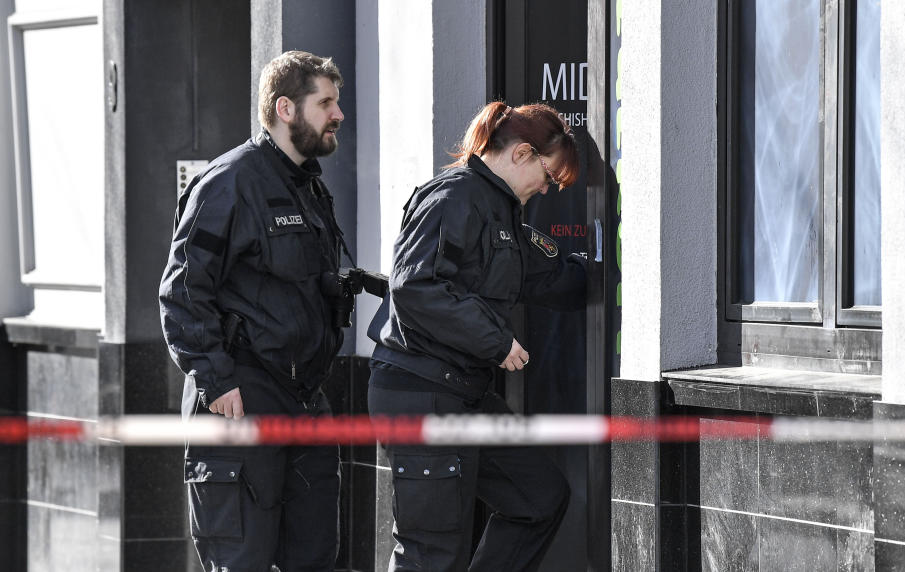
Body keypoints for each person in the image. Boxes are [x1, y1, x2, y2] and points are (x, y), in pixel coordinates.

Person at [367, 101, 586, 571]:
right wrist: (497, 341)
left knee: (539, 498)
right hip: (421, 392)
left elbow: (544, 276)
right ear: (523, 153)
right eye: (548, 176)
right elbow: (415, 287)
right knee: (431, 553)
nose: (547, 189)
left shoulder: (499, 209)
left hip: (461, 392)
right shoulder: (454, 197)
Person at [159, 51, 349, 572]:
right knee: (240, 561)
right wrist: (216, 381)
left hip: (303, 401)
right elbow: (181, 291)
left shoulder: (307, 185)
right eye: (326, 103)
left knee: (313, 558)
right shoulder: (230, 183)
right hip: (240, 402)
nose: (338, 114)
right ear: (286, 108)